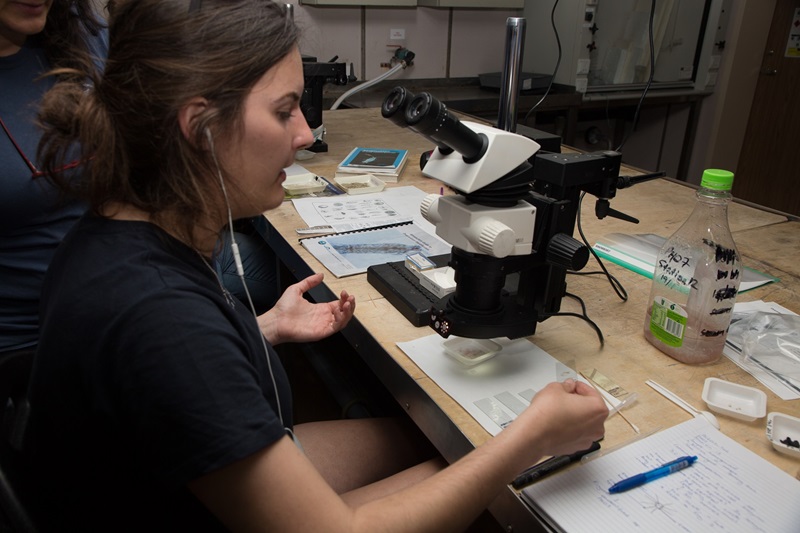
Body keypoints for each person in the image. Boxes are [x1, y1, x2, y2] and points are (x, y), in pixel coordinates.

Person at [27, 1, 608, 531]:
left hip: (167, 487)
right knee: (500, 482)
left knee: (440, 436)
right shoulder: (158, 314)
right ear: (199, 128)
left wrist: (258, 331)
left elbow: (158, 385)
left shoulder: (119, 229)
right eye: (284, 112)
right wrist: (531, 439)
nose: (307, 134)